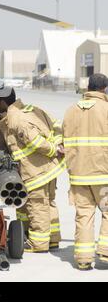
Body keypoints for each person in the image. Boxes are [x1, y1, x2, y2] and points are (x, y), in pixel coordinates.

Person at [0, 85, 65, 253]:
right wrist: (57, 144)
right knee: (48, 203)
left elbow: (34, 142)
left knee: (37, 206)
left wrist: (52, 149)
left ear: (3, 102)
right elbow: (56, 125)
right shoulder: (33, 109)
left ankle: (39, 244)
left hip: (35, 170)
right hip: (49, 168)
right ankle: (53, 240)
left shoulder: (15, 119)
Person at [63, 73, 108, 270]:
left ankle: (83, 259)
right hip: (103, 174)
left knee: (84, 215)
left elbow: (62, 140)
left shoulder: (71, 111)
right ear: (104, 89)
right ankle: (106, 252)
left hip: (79, 175)